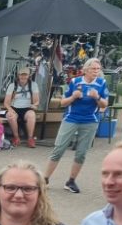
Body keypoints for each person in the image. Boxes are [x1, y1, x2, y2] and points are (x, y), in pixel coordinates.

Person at [43, 57, 108, 193]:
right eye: (93, 69)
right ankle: (45, 179)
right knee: (59, 149)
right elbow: (62, 103)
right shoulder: (75, 81)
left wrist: (97, 97)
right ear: (85, 70)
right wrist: (73, 97)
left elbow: (104, 105)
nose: (96, 71)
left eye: (98, 69)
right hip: (71, 119)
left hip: (90, 121)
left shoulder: (102, 83)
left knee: (81, 153)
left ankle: (71, 181)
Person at [4, 67, 40, 148]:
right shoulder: (12, 85)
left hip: (27, 108)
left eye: (25, 75)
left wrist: (34, 105)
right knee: (11, 116)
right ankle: (16, 137)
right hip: (14, 107)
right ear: (18, 75)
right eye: (21, 75)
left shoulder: (33, 85)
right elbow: (6, 103)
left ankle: (30, 139)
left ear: (29, 76)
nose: (23, 77)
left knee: (31, 115)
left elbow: (37, 101)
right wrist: (10, 109)